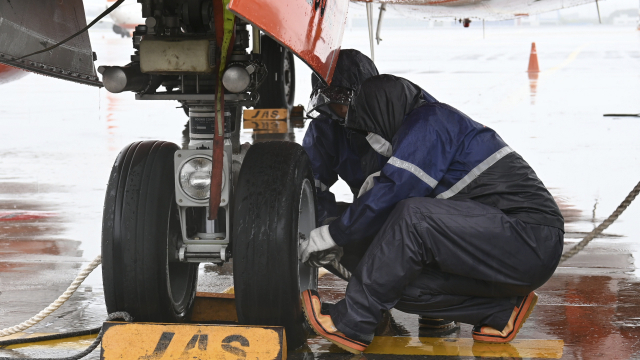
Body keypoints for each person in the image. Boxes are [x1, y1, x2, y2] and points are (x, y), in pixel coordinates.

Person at [299, 74, 564, 353]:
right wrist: (347, 241)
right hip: (498, 249)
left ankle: (352, 323)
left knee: (412, 216)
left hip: (531, 238)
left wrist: (335, 233)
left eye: (369, 127)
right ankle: (500, 312)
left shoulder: (431, 122)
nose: (369, 138)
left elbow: (396, 191)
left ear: (385, 112)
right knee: (393, 281)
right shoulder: (418, 129)